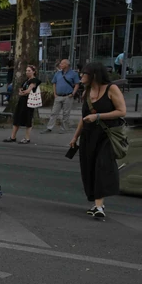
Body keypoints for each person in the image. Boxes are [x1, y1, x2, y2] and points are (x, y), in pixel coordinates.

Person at [71, 63, 127, 219]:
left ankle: (98, 206)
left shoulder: (111, 89)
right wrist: (75, 137)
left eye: (84, 74)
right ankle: (97, 204)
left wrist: (98, 116)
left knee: (102, 167)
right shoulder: (87, 91)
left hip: (106, 135)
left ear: (94, 75)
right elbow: (83, 117)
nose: (81, 76)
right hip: (89, 135)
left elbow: (122, 111)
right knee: (89, 168)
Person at [5, 64, 40, 144]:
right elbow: (21, 88)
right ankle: (12, 136)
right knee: (17, 118)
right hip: (22, 101)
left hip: (29, 102)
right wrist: (21, 92)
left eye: (29, 71)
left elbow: (28, 90)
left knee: (28, 120)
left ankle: (27, 138)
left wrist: (23, 93)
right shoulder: (26, 80)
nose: (27, 72)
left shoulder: (35, 80)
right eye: (26, 70)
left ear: (34, 72)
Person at [44, 59, 79, 134]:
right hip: (58, 96)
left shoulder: (73, 74)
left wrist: (73, 93)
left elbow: (77, 84)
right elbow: (54, 83)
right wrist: (55, 93)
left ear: (67, 65)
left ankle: (63, 129)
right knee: (54, 112)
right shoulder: (58, 73)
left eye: (62, 63)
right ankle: (49, 127)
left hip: (68, 96)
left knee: (66, 113)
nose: (60, 65)